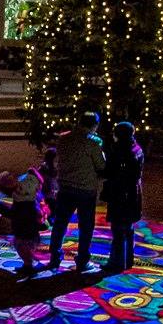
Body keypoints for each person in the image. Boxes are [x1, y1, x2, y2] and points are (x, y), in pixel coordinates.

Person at [49, 114, 108, 272]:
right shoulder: (93, 142)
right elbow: (101, 166)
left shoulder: (63, 138)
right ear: (95, 125)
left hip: (65, 187)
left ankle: (55, 256)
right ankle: (82, 260)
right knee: (86, 226)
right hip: (85, 189)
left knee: (60, 223)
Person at [101, 121, 144, 274]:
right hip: (133, 193)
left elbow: (109, 172)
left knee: (119, 229)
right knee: (128, 228)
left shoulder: (120, 151)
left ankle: (117, 262)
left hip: (121, 194)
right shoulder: (137, 148)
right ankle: (127, 259)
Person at [9, 167, 46, 275]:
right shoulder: (31, 197)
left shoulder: (29, 202)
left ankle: (29, 267)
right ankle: (27, 265)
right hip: (27, 231)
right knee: (23, 247)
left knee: (23, 247)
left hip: (26, 231)